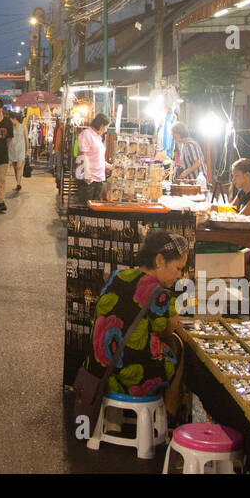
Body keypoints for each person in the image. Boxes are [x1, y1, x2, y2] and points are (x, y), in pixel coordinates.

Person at [81, 231, 189, 413]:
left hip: (98, 369)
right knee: (178, 346)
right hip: (129, 377)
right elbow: (168, 330)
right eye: (178, 268)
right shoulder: (159, 295)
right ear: (160, 260)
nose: (180, 275)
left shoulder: (116, 276)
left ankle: (115, 418)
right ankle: (170, 410)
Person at [75, 113, 110, 205]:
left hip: (99, 178)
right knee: (86, 207)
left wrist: (111, 167)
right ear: (101, 125)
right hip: (89, 178)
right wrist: (87, 173)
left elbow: (98, 158)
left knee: (95, 207)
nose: (106, 130)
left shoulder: (98, 137)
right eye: (106, 127)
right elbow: (83, 155)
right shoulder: (86, 134)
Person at [7, 111, 29, 191]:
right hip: (12, 149)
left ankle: (18, 184)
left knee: (19, 167)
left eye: (11, 120)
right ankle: (18, 183)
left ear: (15, 119)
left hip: (21, 150)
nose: (10, 121)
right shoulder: (10, 128)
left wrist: (27, 150)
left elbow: (26, 139)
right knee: (15, 168)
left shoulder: (23, 127)